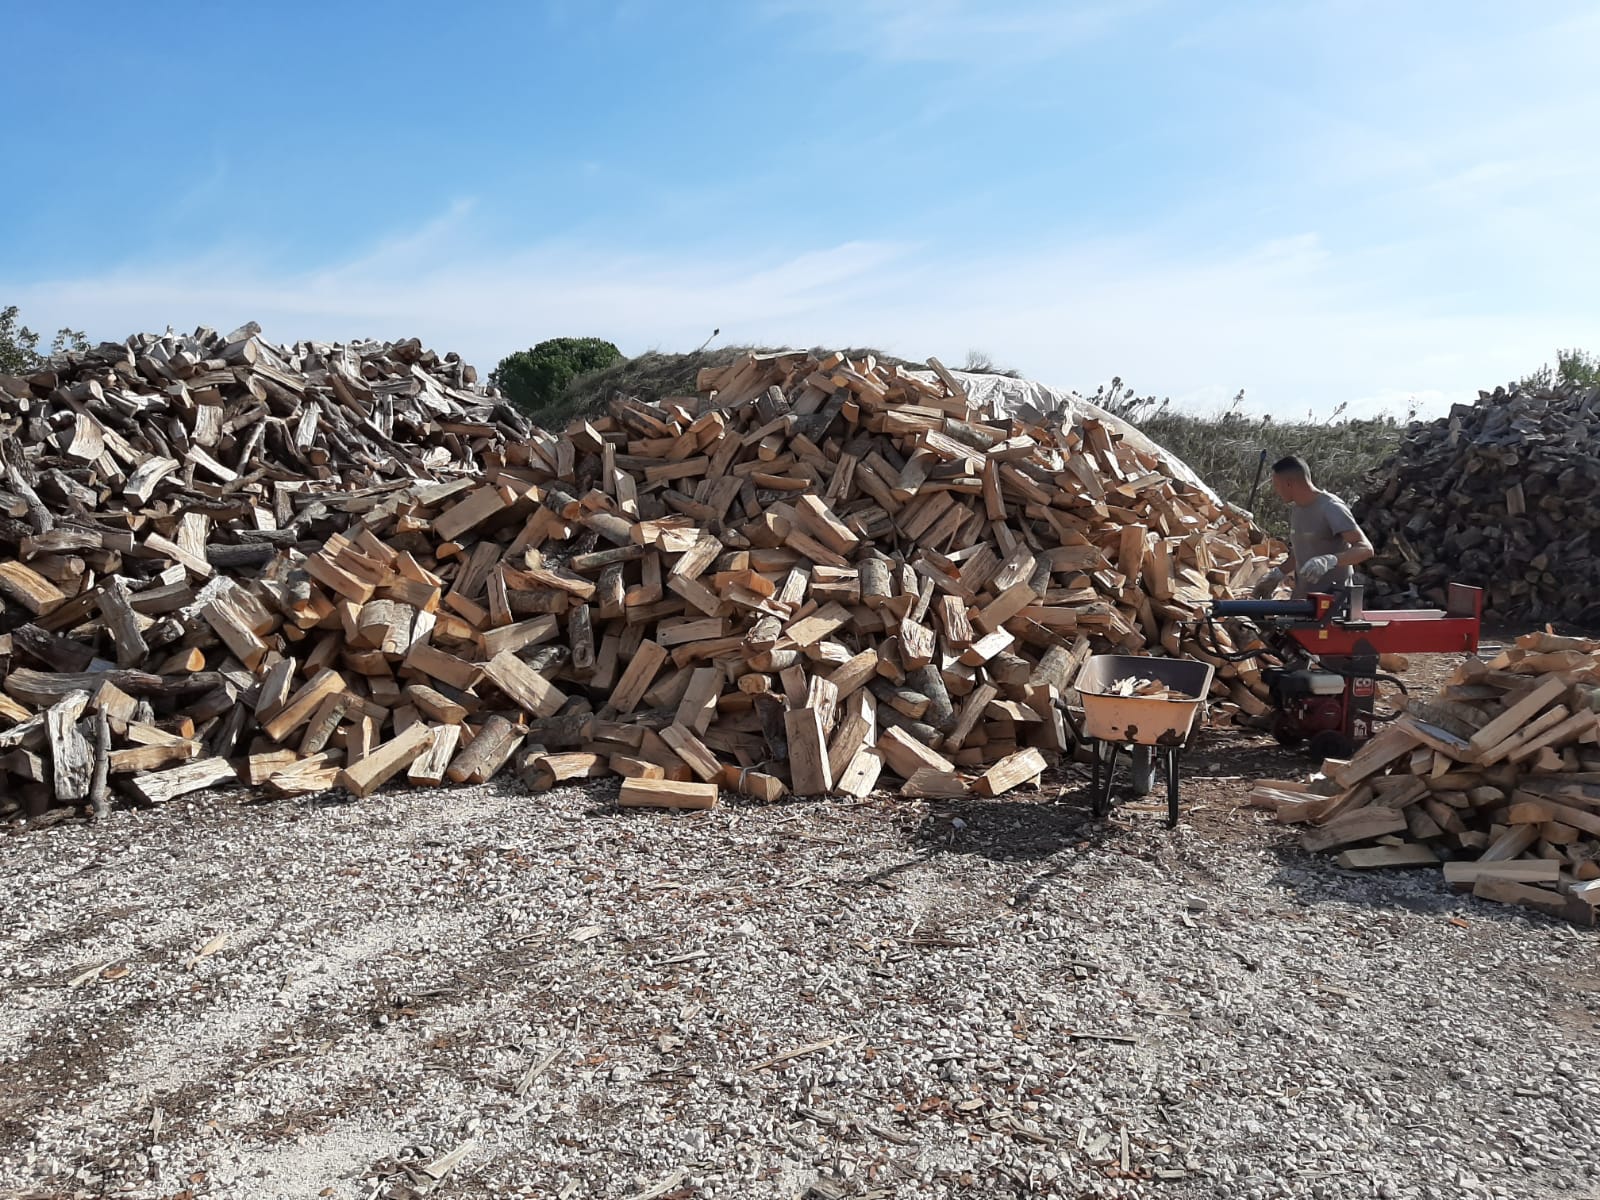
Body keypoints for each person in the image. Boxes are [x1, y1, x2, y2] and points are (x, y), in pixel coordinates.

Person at [1254, 456, 1374, 599]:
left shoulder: (1331, 507)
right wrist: (1277, 574)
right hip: (1302, 599)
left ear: (1289, 483)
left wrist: (1329, 560)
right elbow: (1301, 552)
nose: (1276, 491)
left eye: (1277, 485)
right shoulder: (1298, 509)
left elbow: (1365, 549)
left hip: (1332, 602)